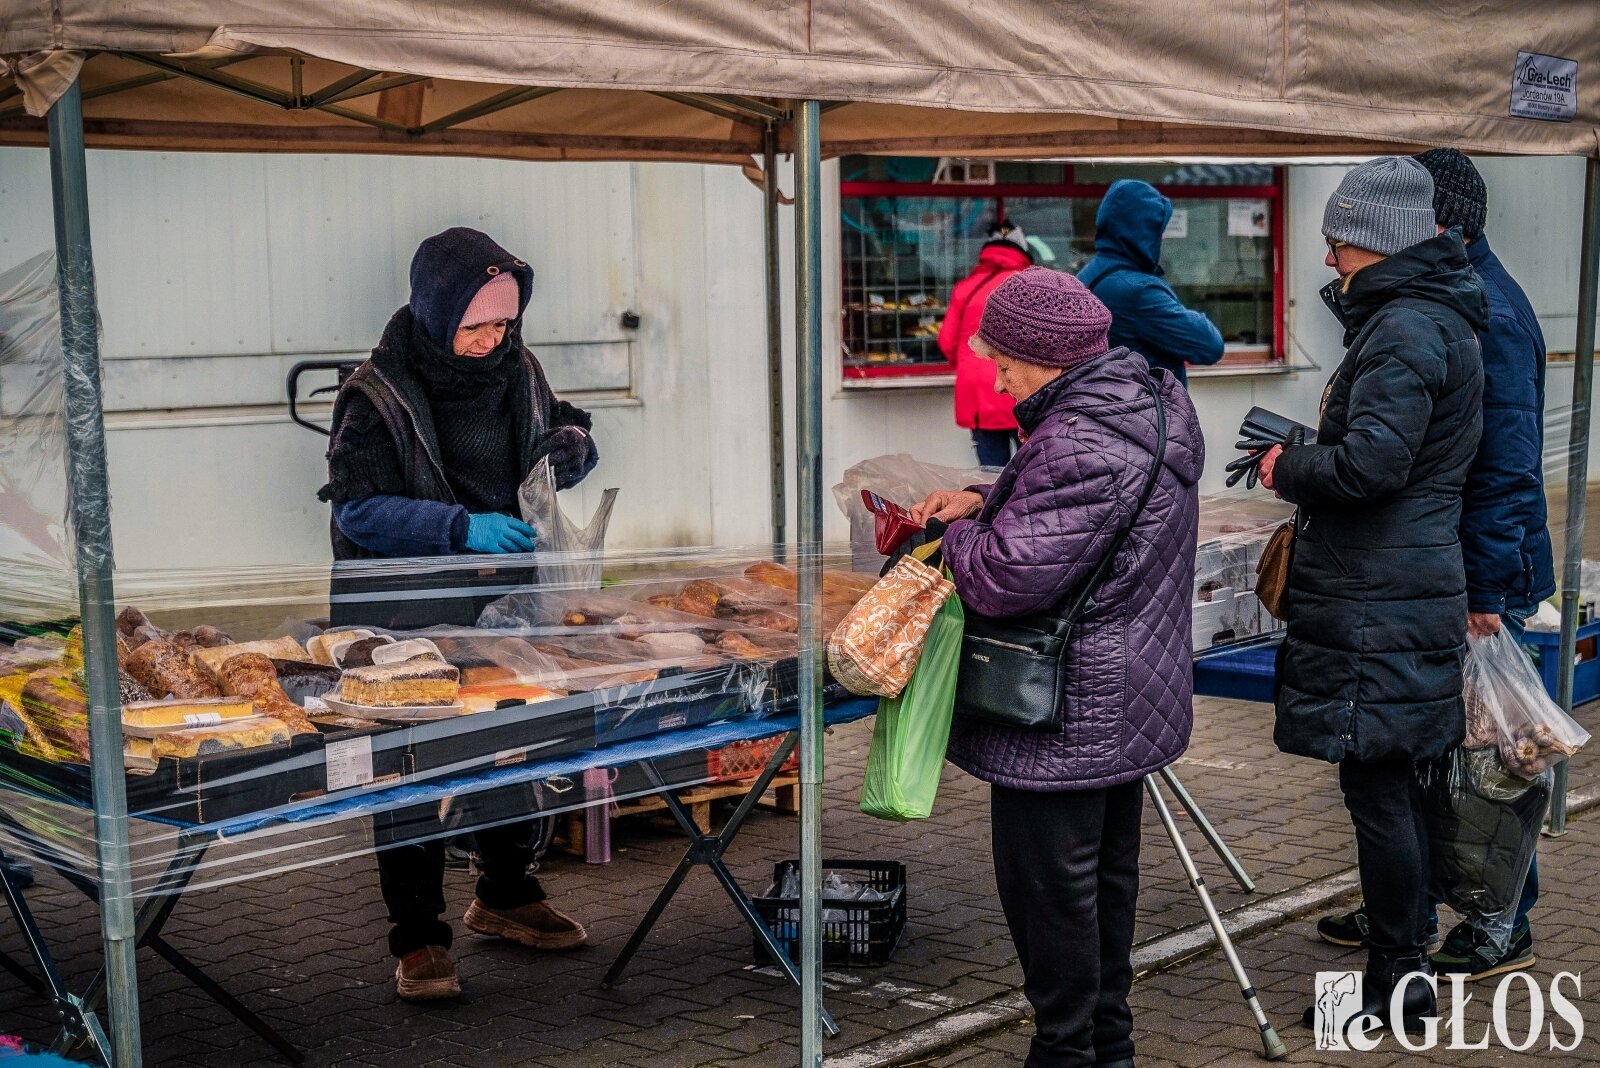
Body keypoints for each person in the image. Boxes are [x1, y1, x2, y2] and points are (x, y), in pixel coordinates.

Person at [911, 267, 1203, 1068]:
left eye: (1004, 362)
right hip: (1126, 692)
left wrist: (948, 538)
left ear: (1047, 357)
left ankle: (1066, 1052)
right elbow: (1080, 514)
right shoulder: (1142, 405)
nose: (997, 379)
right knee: (1104, 879)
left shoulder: (1079, 438)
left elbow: (1006, 576)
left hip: (1066, 706)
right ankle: (1108, 1045)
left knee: (1053, 892)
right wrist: (987, 496)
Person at [321, 227, 595, 1001]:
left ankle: (506, 893)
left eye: (504, 323)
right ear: (438, 313)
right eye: (476, 325)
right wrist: (458, 528)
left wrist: (574, 446)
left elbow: (560, 428)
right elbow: (357, 508)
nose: (491, 340)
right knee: (409, 766)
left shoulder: (518, 369)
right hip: (404, 614)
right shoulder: (377, 392)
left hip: (500, 606)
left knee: (504, 744)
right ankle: (418, 938)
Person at [1254, 157, 1486, 1034]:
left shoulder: (1405, 328)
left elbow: (1371, 466)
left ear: (1382, 242)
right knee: (1401, 786)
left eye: (1339, 242)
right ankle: (1404, 962)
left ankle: (1398, 976)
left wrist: (1288, 466)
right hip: (1404, 585)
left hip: (1377, 595)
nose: (1329, 258)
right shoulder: (1437, 317)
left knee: (1379, 791)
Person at [1315, 149, 1553, 983]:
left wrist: (1485, 587)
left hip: (1476, 571)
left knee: (1490, 763)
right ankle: (1405, 908)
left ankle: (1500, 919)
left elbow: (1507, 466)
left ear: (1438, 224)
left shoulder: (1490, 313)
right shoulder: (1440, 296)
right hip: (1435, 563)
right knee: (1422, 760)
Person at [1076, 179, 1224, 385]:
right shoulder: (1140, 291)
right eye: (1157, 230)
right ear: (1141, 232)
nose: (1161, 238)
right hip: (1143, 402)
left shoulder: (1086, 276)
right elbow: (1209, 346)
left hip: (1103, 398)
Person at [938, 221, 1035, 466]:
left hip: (980, 392)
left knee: (991, 475)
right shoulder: (1031, 287)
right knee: (1032, 470)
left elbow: (947, 341)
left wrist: (969, 365)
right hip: (1022, 388)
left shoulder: (966, 288)